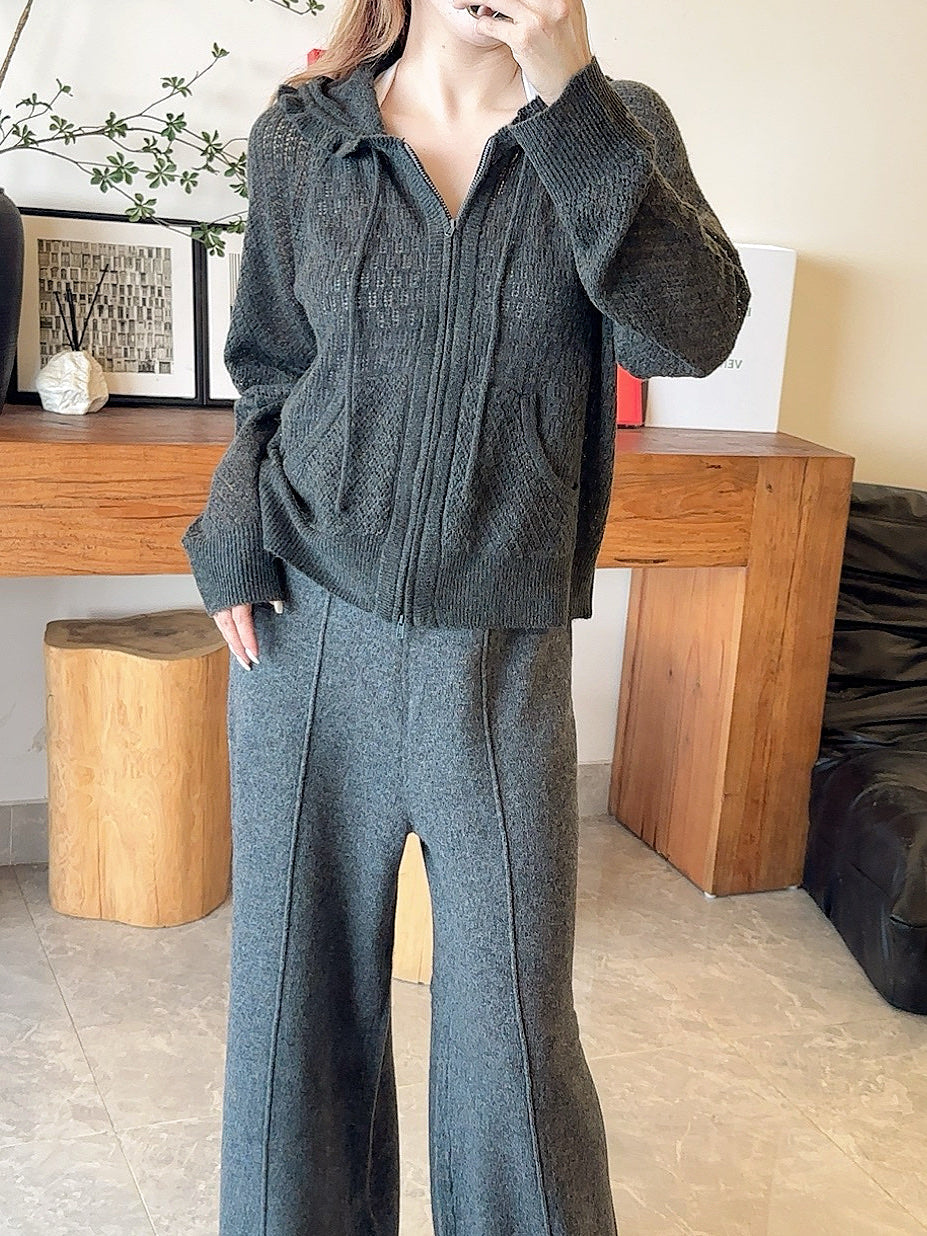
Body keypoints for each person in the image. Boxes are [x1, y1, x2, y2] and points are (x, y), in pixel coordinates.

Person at [181, 0, 751, 1232]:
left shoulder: (613, 127)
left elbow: (691, 338)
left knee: (517, 1046)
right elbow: (270, 369)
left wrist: (571, 95)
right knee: (292, 1026)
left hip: (501, 662)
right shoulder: (305, 135)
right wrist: (232, 526)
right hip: (304, 638)